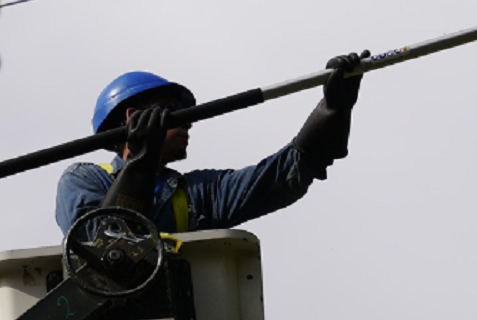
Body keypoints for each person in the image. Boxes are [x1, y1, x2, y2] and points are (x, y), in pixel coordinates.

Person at [54, 54, 368, 235]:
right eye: (173, 112)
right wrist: (141, 161)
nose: (188, 121)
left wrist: (333, 109)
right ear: (135, 117)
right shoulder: (84, 180)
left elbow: (287, 173)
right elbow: (102, 246)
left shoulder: (199, 195)